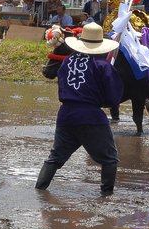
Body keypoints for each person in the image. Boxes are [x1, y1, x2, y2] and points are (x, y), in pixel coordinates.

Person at [35, 22, 124, 195]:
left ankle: (39, 191)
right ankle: (106, 196)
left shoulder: (67, 61)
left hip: (66, 115)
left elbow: (61, 84)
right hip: (91, 117)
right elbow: (113, 96)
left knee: (55, 158)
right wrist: (106, 102)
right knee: (110, 159)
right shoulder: (103, 66)